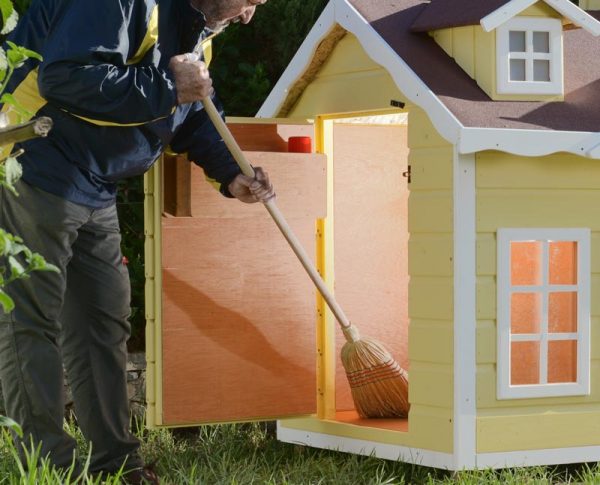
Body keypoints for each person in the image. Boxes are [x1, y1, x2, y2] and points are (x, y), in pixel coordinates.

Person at [0, 0, 271, 483]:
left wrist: (232, 175)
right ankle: (48, 466)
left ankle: (116, 464)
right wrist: (169, 87)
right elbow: (64, 77)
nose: (248, 16)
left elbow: (191, 114)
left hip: (94, 181)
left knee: (102, 320)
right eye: (249, 1)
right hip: (34, 159)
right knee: (31, 319)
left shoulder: (194, 27)